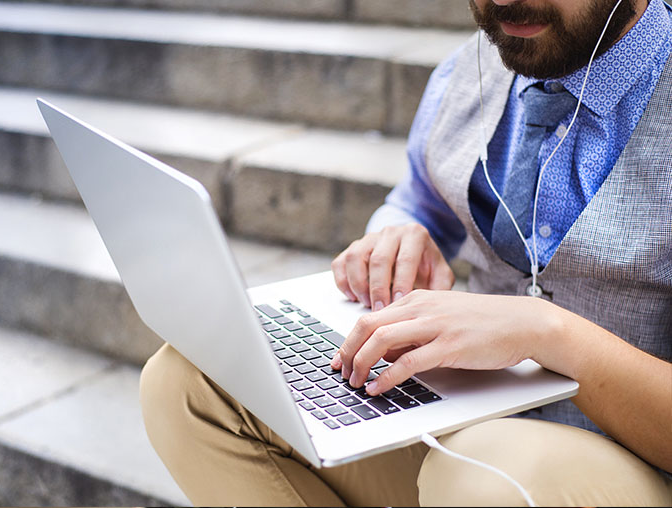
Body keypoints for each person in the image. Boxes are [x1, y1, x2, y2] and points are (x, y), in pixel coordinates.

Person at [140, 0, 672, 505]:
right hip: (468, 434)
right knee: (191, 382)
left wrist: (545, 332)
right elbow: (421, 197)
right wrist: (399, 232)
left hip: (636, 463)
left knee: (482, 473)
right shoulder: (480, 63)